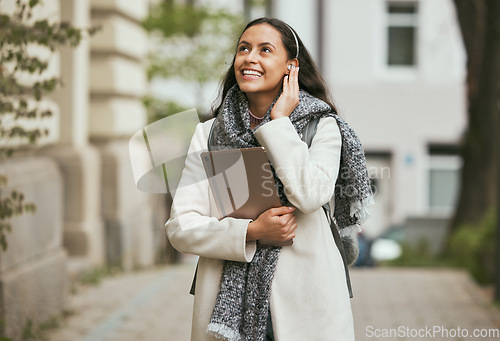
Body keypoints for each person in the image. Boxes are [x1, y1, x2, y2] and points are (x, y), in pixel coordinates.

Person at [165, 17, 373, 341]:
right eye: (244, 49)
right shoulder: (208, 134)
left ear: (291, 66)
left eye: (265, 50)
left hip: (308, 304)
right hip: (224, 309)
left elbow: (310, 195)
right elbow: (181, 227)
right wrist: (250, 232)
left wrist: (278, 124)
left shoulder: (322, 127)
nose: (250, 58)